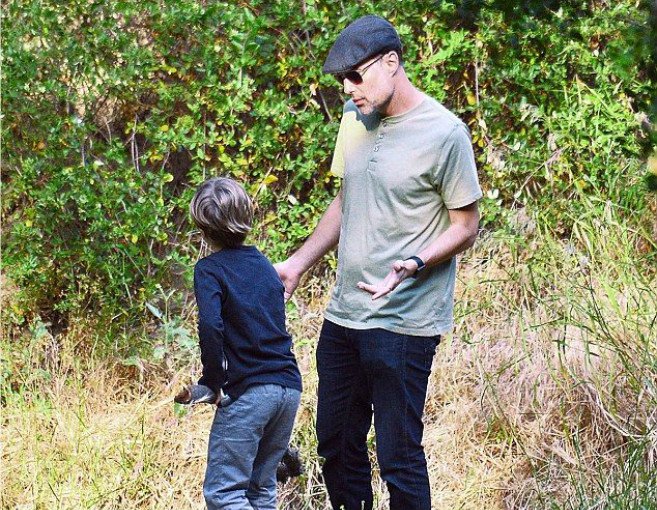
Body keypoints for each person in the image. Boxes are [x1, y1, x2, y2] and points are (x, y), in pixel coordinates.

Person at [274, 15, 482, 510]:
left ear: (391, 62)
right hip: (344, 316)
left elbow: (466, 225)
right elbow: (347, 200)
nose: (348, 90)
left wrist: (414, 261)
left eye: (355, 76)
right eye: (342, 80)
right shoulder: (354, 120)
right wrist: (298, 263)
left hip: (404, 322)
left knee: (398, 457)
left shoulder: (445, 133)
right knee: (336, 446)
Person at [190, 177, 302, 509]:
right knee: (260, 489)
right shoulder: (264, 265)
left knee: (224, 493)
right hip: (287, 388)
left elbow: (210, 325)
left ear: (203, 228)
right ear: (247, 217)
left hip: (249, 392)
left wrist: (213, 381)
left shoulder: (209, 270)